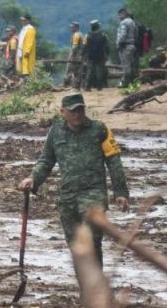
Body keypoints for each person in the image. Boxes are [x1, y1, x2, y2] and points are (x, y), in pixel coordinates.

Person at [18, 94, 130, 266]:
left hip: (94, 194)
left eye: (81, 110)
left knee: (92, 240)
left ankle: (96, 286)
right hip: (68, 197)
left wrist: (120, 192)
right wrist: (33, 179)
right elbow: (47, 160)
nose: (78, 114)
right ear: (63, 111)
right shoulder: (56, 132)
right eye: (73, 111)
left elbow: (113, 160)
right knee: (76, 245)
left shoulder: (99, 129)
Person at [115, 8, 138, 87]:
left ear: (124, 14)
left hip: (125, 46)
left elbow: (123, 35)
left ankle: (125, 83)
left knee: (126, 65)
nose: (119, 17)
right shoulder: (132, 22)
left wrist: (119, 43)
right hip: (132, 45)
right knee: (131, 64)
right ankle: (132, 82)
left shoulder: (124, 23)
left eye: (120, 15)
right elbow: (136, 34)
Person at [83, 20, 109, 91]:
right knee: (99, 71)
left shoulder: (87, 35)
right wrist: (107, 55)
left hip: (90, 56)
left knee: (89, 71)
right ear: (98, 26)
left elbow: (84, 46)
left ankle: (87, 86)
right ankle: (99, 87)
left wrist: (83, 55)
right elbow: (106, 46)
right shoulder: (103, 35)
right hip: (100, 56)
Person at [65, 21, 84, 88]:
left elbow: (74, 46)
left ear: (76, 27)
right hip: (80, 56)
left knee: (69, 71)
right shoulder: (81, 34)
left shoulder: (76, 35)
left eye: (72, 27)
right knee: (78, 72)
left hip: (75, 56)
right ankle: (77, 86)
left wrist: (71, 56)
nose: (71, 28)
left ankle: (67, 86)